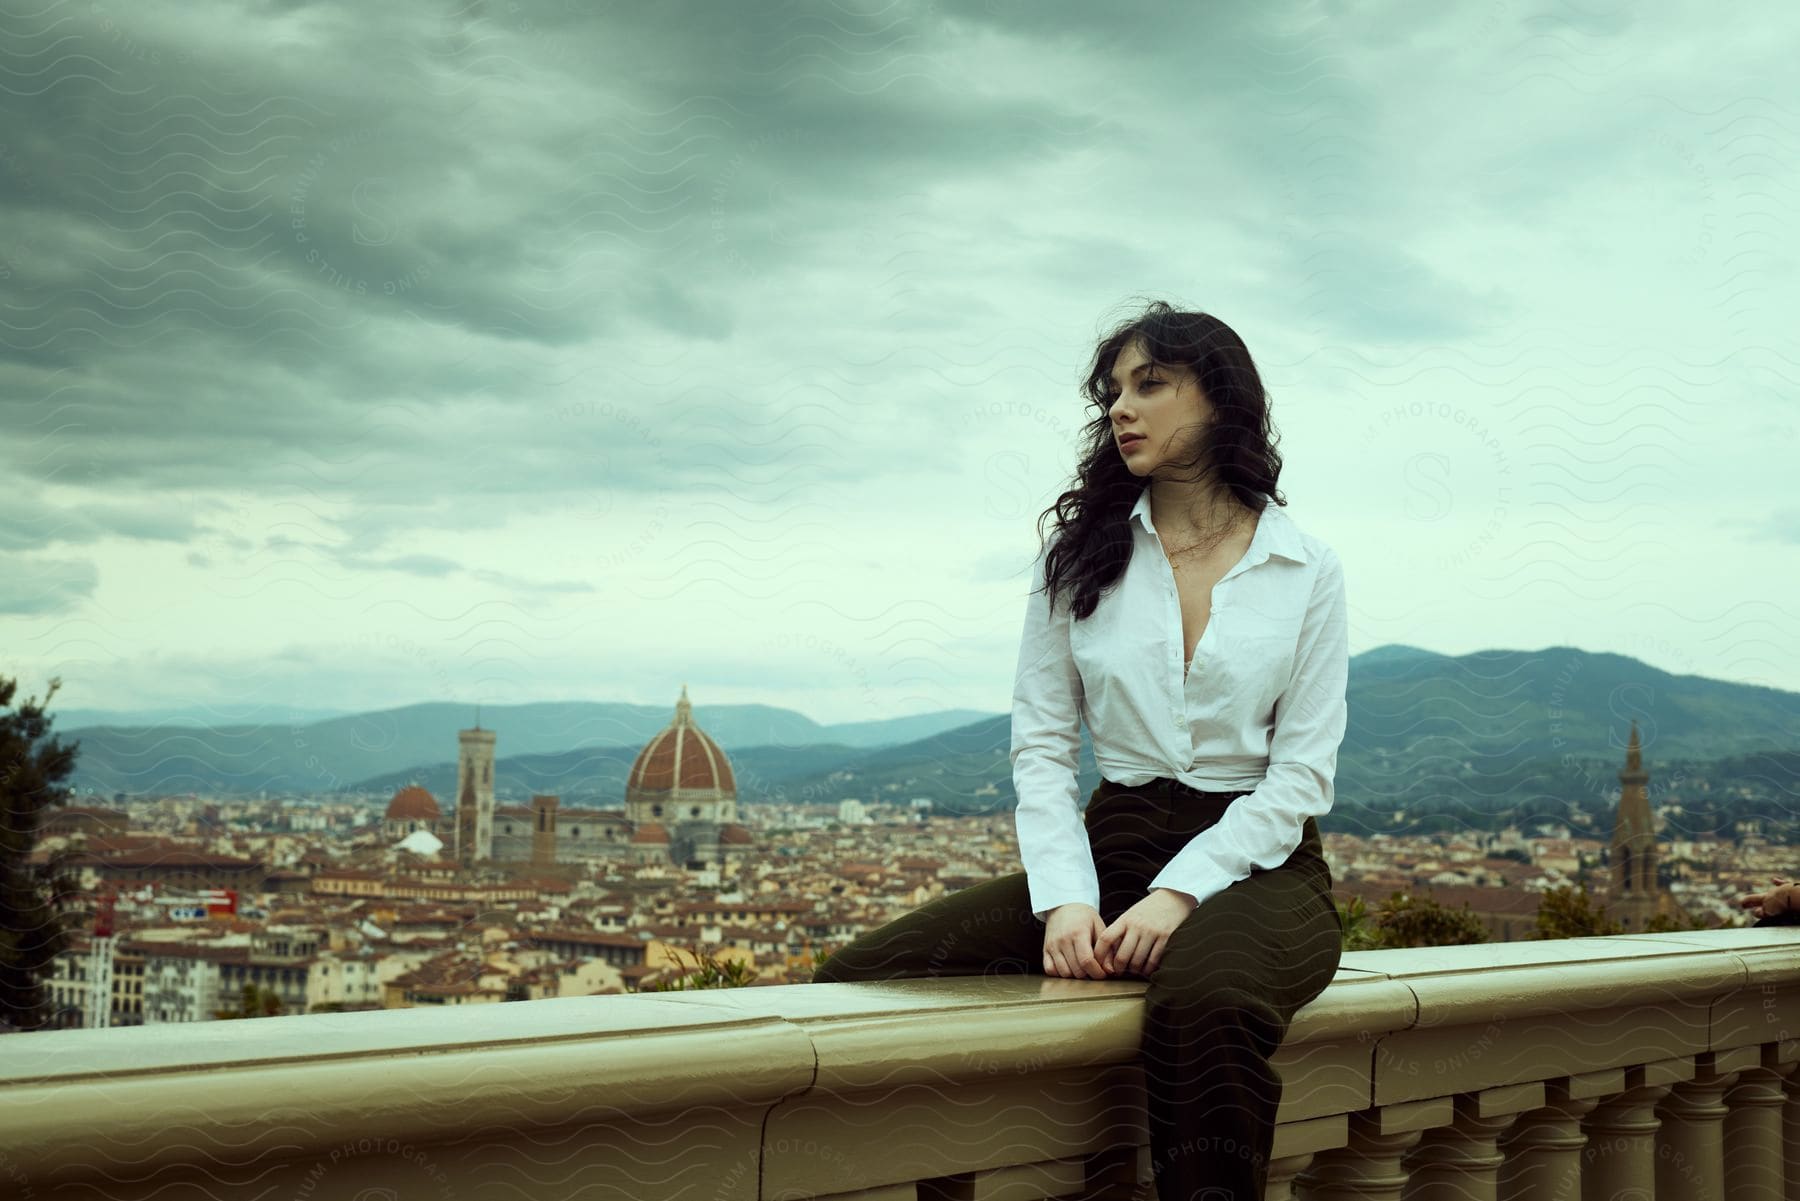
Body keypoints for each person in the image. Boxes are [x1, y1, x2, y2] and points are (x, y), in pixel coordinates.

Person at [810, 301, 1350, 1201]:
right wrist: (1066, 900)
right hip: (1111, 842)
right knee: (858, 978)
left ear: (1218, 398)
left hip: (1260, 861)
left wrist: (1180, 892)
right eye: (1112, 393)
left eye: (1149, 385)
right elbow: (1044, 747)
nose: (1120, 410)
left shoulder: (1307, 567)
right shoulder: (1077, 556)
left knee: (1207, 1002)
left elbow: (1301, 775)